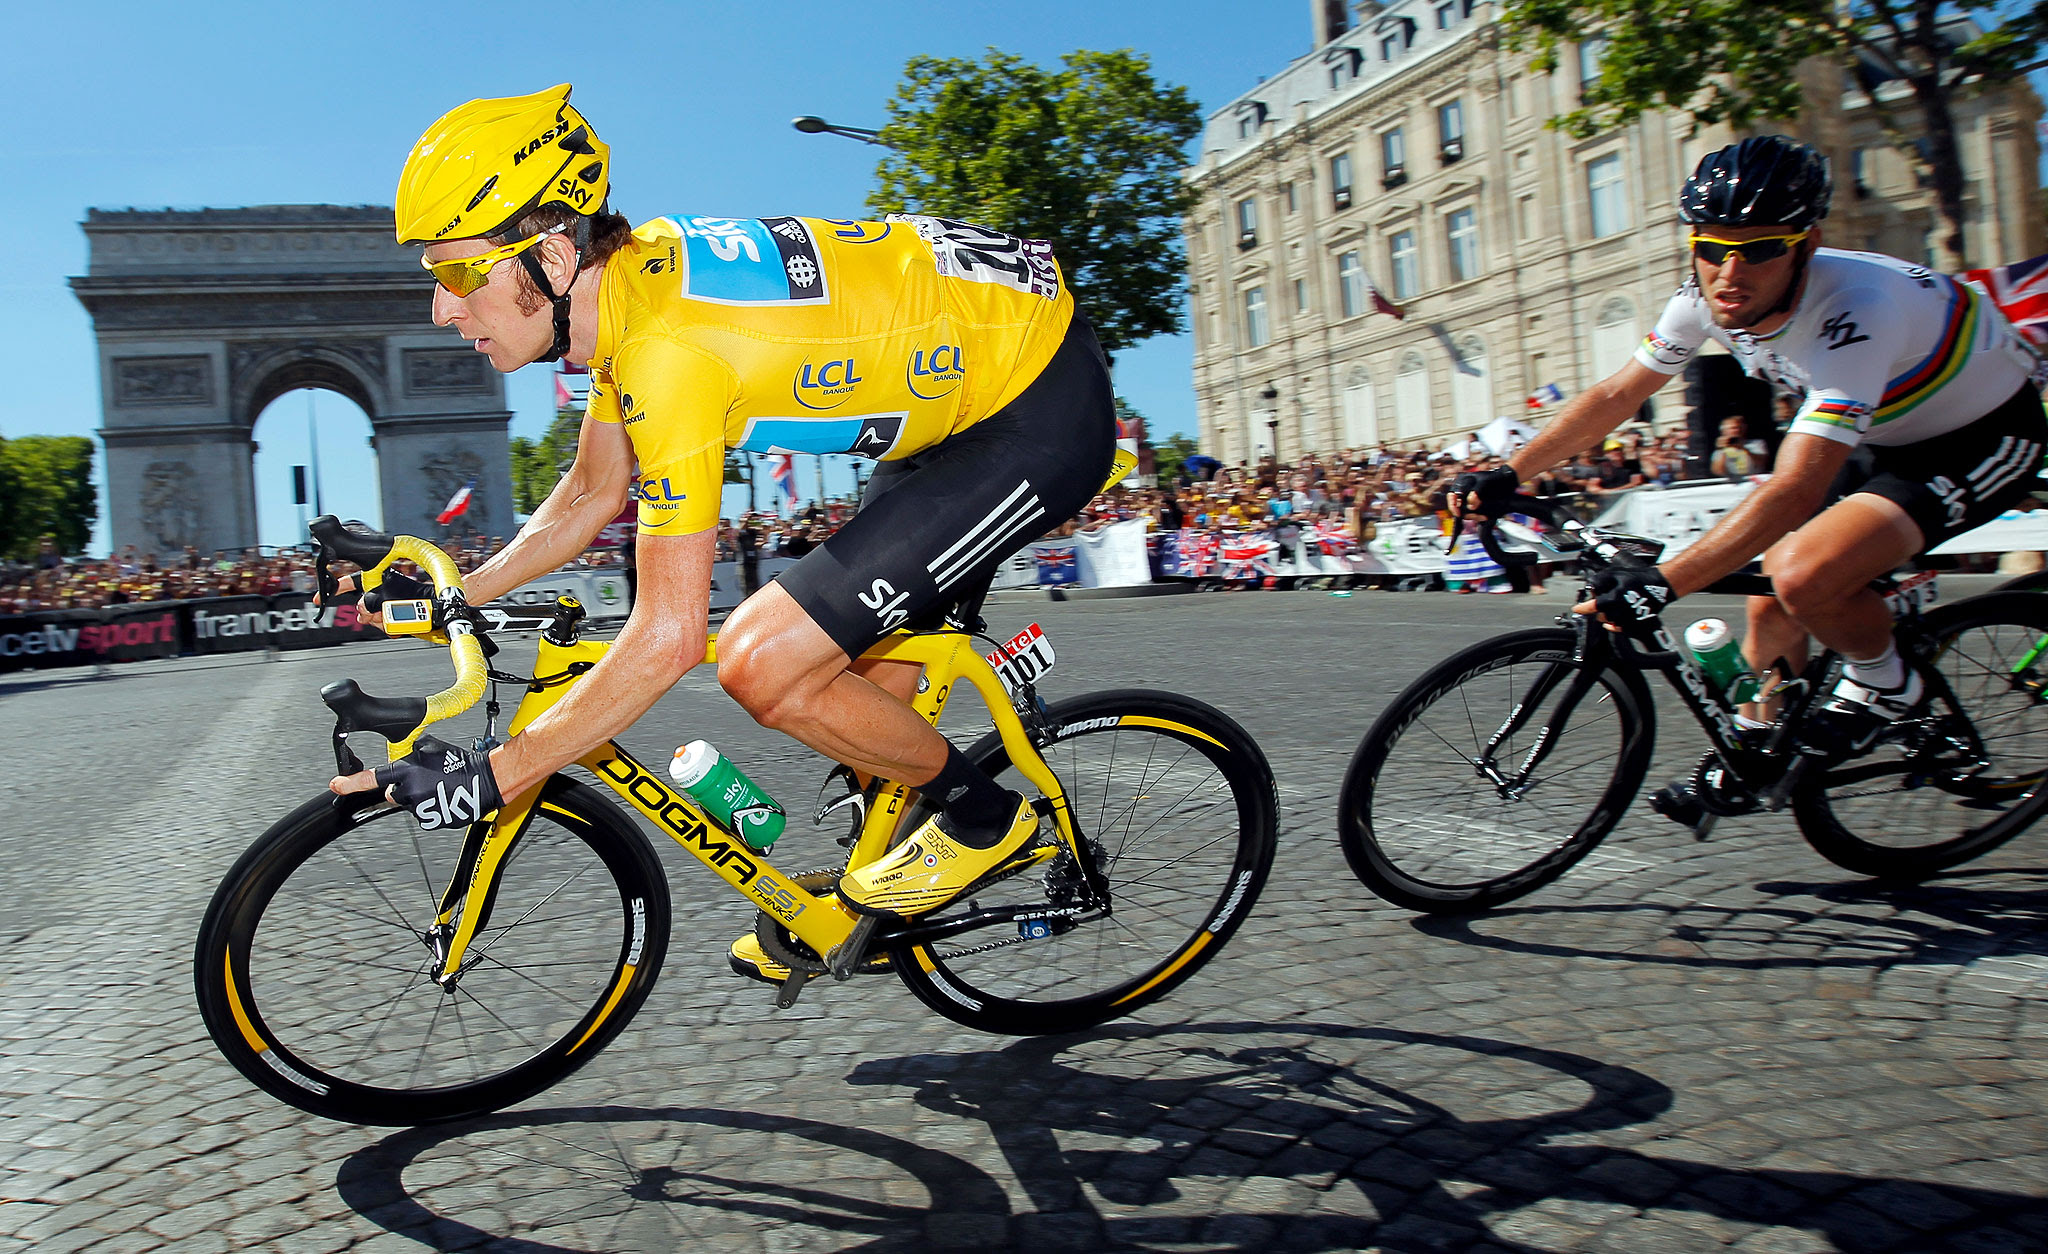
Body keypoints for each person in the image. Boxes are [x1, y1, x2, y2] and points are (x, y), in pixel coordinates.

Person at [331, 85, 1116, 976]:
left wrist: (498, 773)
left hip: (1034, 407)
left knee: (761, 660)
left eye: (460, 275)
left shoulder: (668, 355)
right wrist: (456, 592)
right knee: (860, 693)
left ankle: (984, 821)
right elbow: (592, 490)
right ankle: (856, 917)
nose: (441, 308)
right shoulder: (626, 289)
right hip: (957, 385)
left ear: (550, 255)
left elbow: (667, 639)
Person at [1456, 134, 2043, 766]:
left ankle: (1889, 685)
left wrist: (1661, 585)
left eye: (1760, 250)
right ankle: (1759, 754)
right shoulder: (1698, 299)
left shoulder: (1857, 310)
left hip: (1981, 436)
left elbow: (1796, 489)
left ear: (1808, 245)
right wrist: (1509, 471)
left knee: (1804, 574)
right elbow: (1619, 393)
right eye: (1711, 249)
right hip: (1886, 432)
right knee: (1771, 600)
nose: (1730, 274)